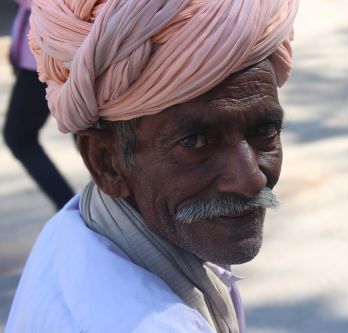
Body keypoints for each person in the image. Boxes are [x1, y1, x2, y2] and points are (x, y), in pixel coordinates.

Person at [6, 0, 299, 332]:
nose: (251, 179)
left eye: (264, 131)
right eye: (196, 142)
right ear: (106, 163)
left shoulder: (73, 228)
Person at [3, 0, 74, 210]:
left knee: (19, 138)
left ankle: (70, 208)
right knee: (85, 133)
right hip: (50, 54)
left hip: (48, 57)